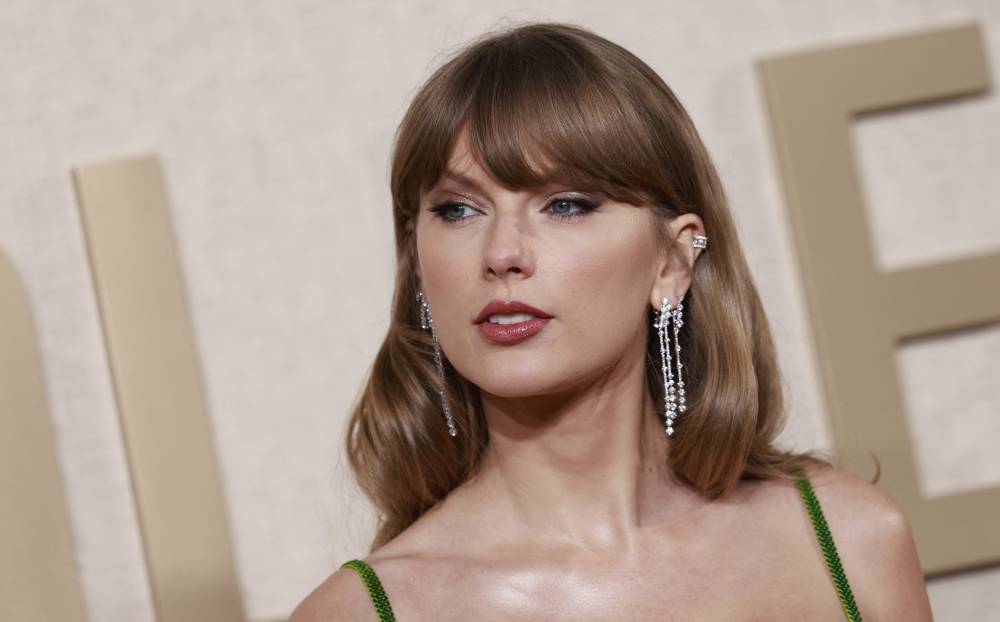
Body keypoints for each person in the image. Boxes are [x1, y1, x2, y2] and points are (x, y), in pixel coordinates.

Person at [291, 21, 932, 621]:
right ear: (419, 265)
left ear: (673, 260)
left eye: (566, 204)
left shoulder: (848, 540)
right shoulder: (362, 611)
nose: (502, 254)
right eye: (458, 211)